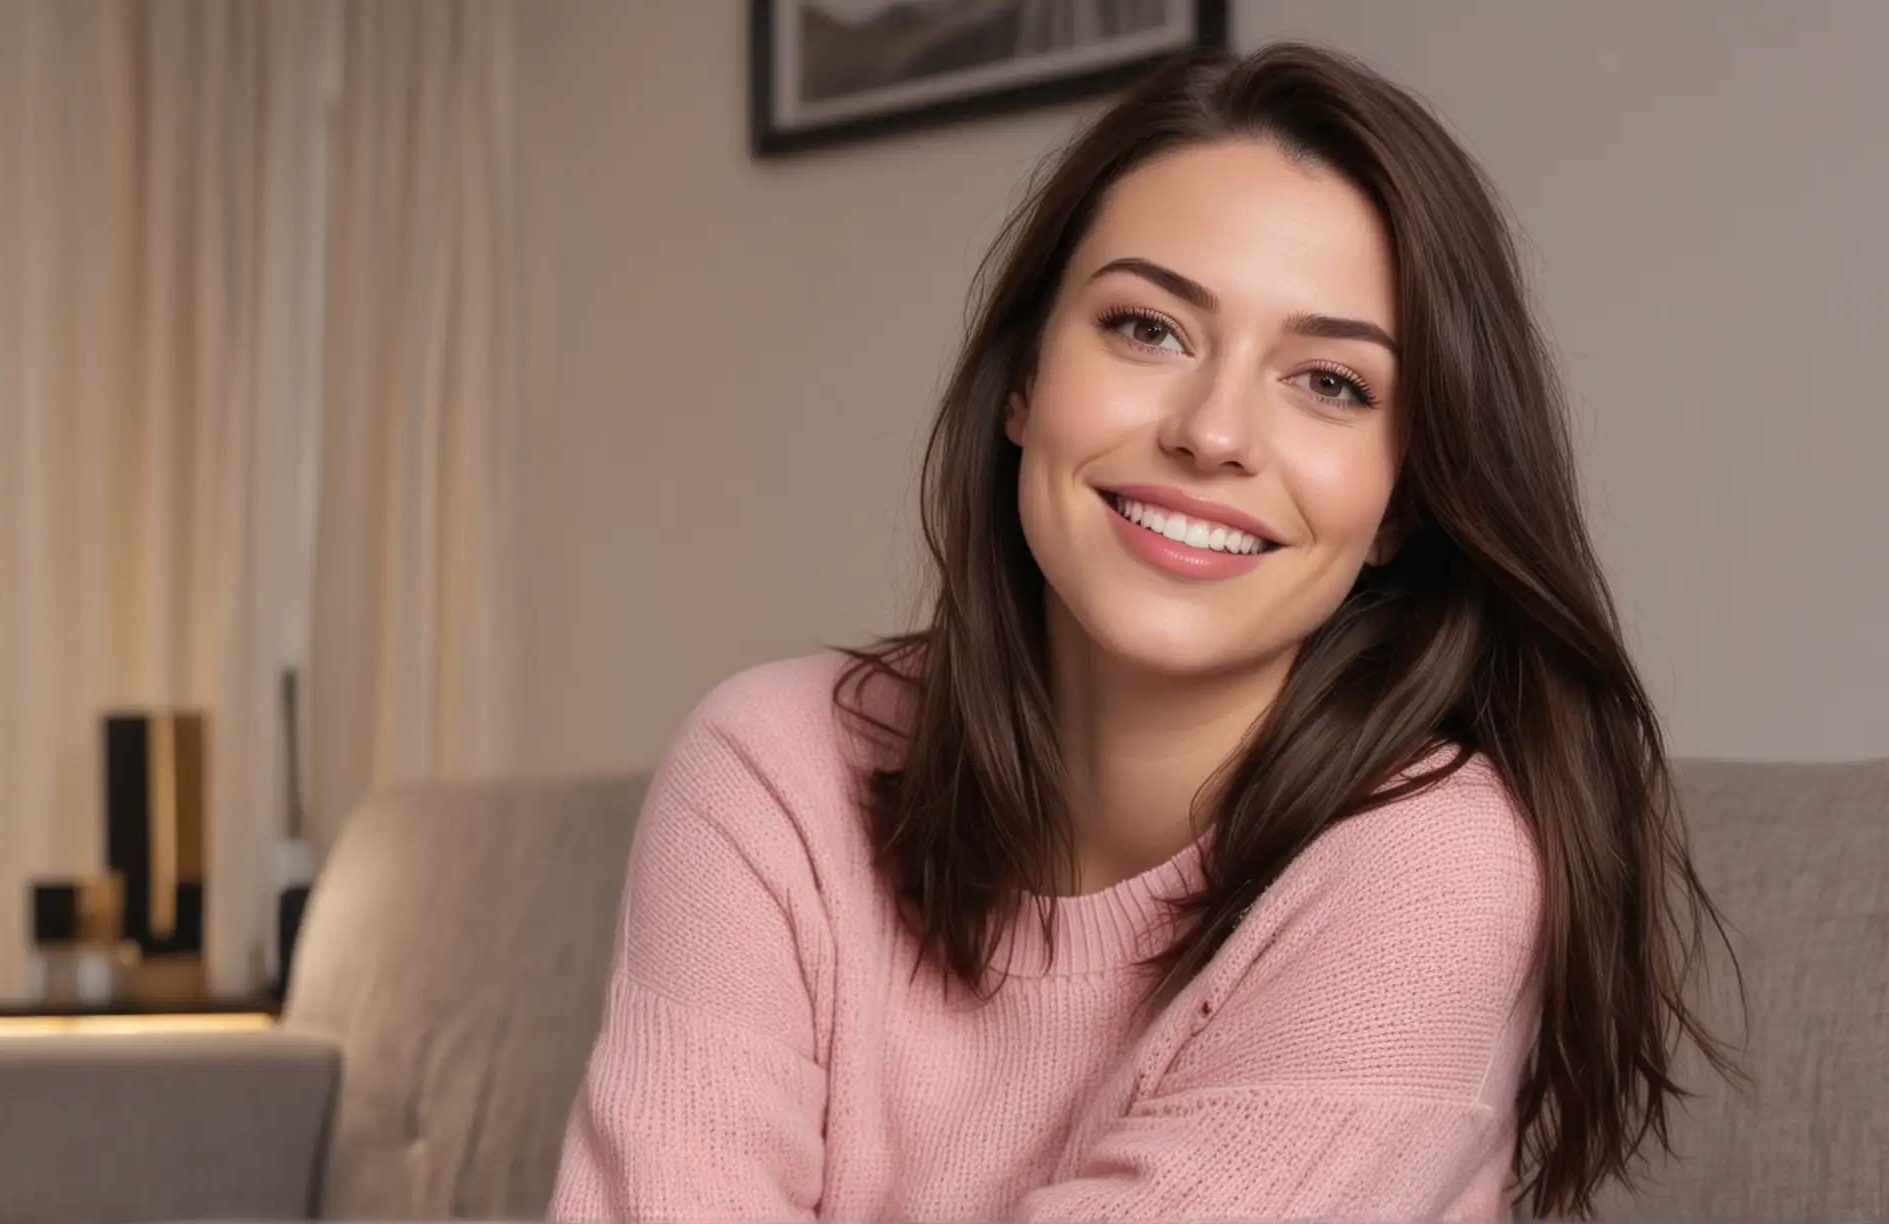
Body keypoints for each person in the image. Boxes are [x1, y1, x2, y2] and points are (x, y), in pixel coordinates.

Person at [548, 40, 1733, 1223]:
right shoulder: (772, 773)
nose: (1214, 433)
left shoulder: (1433, 867)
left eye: (1330, 383)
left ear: (1400, 504)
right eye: (1148, 328)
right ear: (1022, 383)